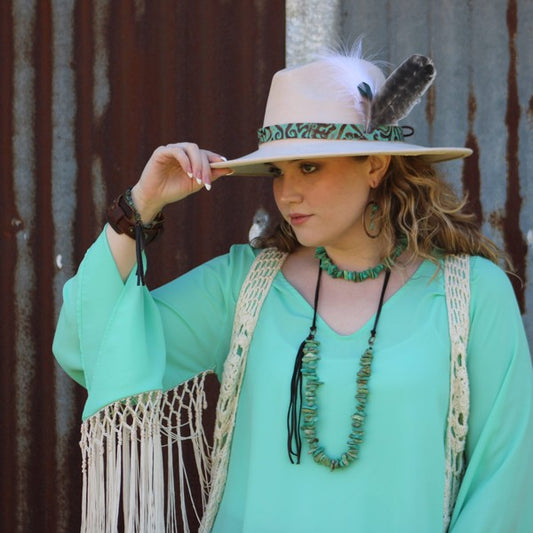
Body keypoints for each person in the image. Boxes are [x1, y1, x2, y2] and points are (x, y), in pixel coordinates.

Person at [53, 49, 533, 533]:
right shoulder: (243, 288)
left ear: (375, 165)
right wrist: (138, 208)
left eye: (308, 167)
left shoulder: (473, 295)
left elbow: (505, 482)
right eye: (278, 171)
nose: (287, 194)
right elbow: (91, 349)